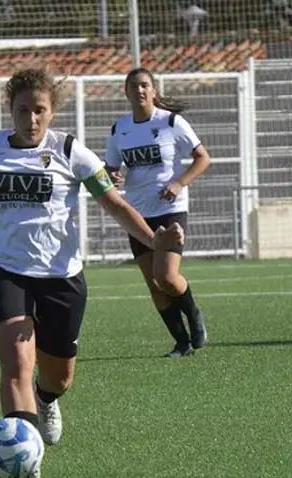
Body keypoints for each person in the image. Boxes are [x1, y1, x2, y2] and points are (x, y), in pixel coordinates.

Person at [0, 68, 183, 478]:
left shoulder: (71, 152)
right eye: (23, 110)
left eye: (40, 110)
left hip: (60, 276)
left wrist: (155, 240)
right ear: (11, 110)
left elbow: (113, 204)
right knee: (17, 362)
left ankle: (47, 401)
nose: (31, 119)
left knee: (57, 377)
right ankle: (26, 452)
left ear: (52, 112)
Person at [104, 67, 212, 358]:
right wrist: (113, 177)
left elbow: (203, 159)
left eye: (144, 85)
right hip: (136, 215)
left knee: (166, 276)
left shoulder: (172, 122)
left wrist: (179, 183)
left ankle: (194, 315)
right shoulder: (119, 130)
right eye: (133, 86)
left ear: (153, 91)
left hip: (170, 208)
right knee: (153, 284)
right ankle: (181, 342)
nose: (139, 91)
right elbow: (111, 170)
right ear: (125, 92)